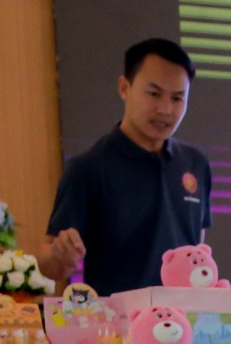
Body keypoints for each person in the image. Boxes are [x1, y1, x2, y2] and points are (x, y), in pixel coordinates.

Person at [40, 38, 212, 295]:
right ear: (124, 88)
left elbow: (197, 247)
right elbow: (50, 264)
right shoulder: (88, 167)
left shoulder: (196, 163)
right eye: (154, 94)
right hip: (117, 318)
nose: (166, 109)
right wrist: (59, 256)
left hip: (184, 317)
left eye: (178, 98)